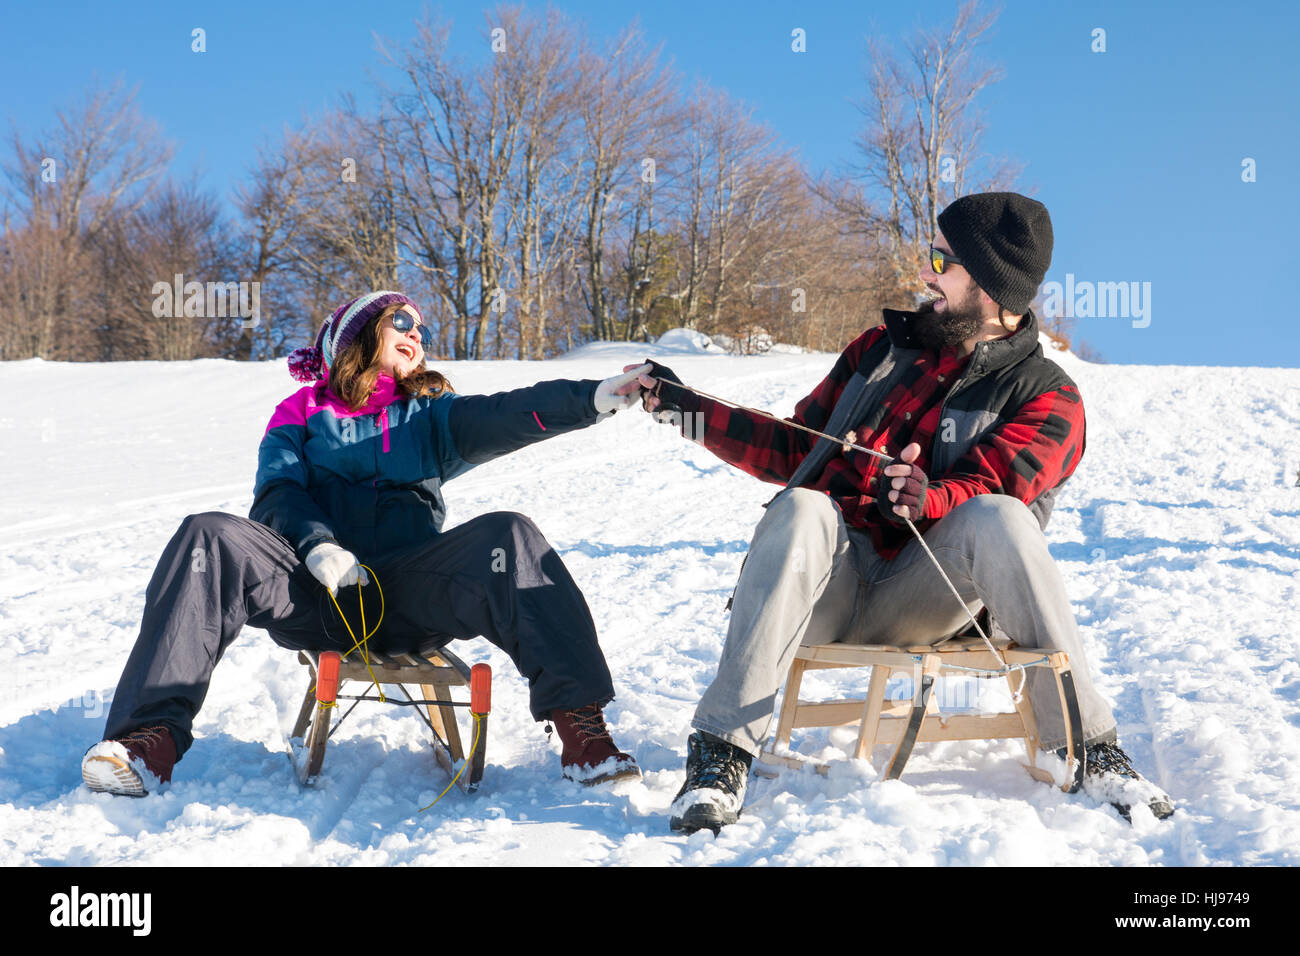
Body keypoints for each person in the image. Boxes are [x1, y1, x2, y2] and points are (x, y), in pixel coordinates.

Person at [632, 193, 1175, 832]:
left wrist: (928, 496)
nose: (926, 272)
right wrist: (682, 407)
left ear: (993, 286)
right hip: (824, 588)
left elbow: (996, 484)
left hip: (929, 594)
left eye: (943, 260)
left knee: (999, 518)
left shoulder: (1049, 395)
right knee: (804, 506)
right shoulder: (878, 352)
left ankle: (1086, 748)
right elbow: (793, 447)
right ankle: (720, 756)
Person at [82, 291, 648, 795]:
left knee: (510, 535)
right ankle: (146, 741)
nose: (416, 333)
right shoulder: (298, 414)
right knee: (207, 536)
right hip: (315, 596)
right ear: (357, 334)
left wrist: (593, 398)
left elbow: (504, 413)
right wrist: (318, 545)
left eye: (421, 327)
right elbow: (277, 492)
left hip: (410, 595)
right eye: (401, 320)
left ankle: (583, 733)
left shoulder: (429, 415)